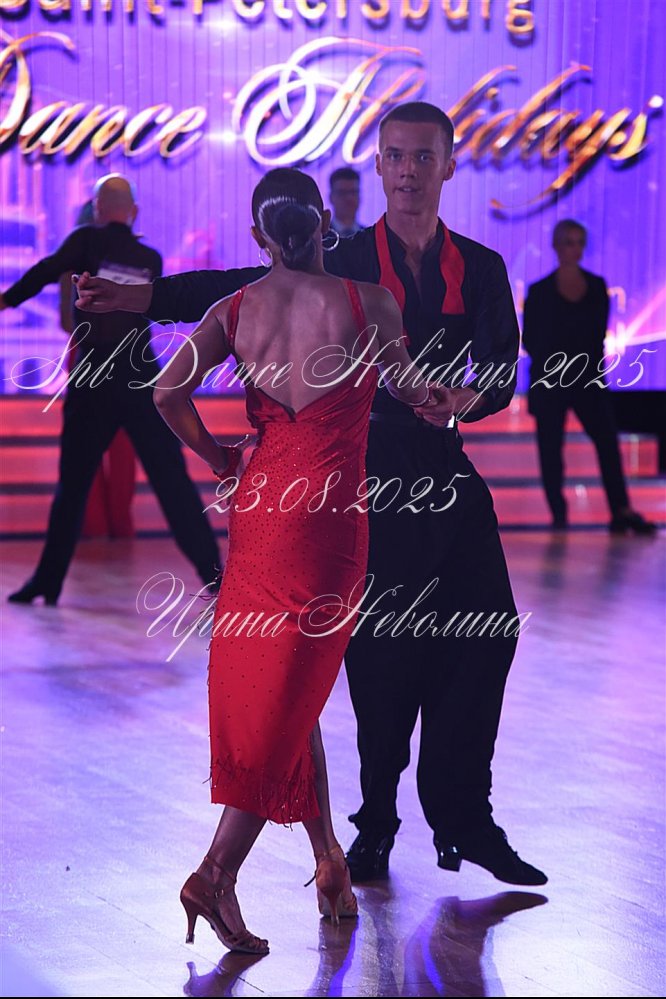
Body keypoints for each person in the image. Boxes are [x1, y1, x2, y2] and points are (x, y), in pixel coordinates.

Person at [75, 102, 547, 887]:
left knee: (488, 631)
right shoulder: (342, 254)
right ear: (380, 164)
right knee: (383, 654)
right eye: (395, 155)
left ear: (448, 164)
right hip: (361, 474)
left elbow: (500, 365)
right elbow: (236, 285)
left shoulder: (483, 266)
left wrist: (468, 397)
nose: (407, 171)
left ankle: (465, 814)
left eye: (422, 157)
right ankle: (374, 824)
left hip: (444, 467)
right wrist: (137, 298)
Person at [151, 167, 434, 953]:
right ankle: (214, 873)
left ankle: (328, 857)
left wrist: (218, 456)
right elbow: (410, 388)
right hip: (329, 521)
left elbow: (166, 393)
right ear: (323, 225)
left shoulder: (234, 309)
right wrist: (443, 400)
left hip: (261, 511)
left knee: (289, 688)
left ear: (258, 237)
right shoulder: (370, 302)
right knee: (292, 687)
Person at [1, 174, 220, 606]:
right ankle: (216, 576)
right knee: (171, 481)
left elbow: (46, 270)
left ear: (98, 209)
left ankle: (48, 581)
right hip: (139, 377)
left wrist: (7, 300)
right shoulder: (149, 257)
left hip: (94, 378)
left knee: (73, 485)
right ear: (133, 212)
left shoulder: (85, 240)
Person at [523, 220, 657, 534]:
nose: (574, 248)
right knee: (551, 450)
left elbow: (595, 335)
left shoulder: (596, 286)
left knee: (607, 443)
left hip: (587, 380)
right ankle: (558, 515)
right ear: (556, 246)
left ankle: (621, 510)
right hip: (551, 382)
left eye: (579, 242)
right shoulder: (539, 291)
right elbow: (531, 338)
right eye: (568, 241)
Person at [59, 198, 137, 540]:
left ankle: (92, 524)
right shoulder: (134, 258)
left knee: (84, 441)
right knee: (122, 441)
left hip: (86, 353)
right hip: (124, 353)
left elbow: (66, 320)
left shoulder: (74, 263)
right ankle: (119, 523)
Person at [328, 167, 365, 237]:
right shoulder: (321, 237)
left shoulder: (371, 238)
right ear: (331, 198)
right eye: (342, 192)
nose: (349, 198)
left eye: (353, 192)